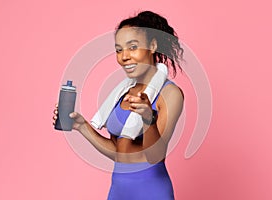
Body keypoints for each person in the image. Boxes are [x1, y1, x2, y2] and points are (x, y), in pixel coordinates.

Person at [53, 10, 184, 200]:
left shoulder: (170, 93)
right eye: (119, 49)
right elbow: (119, 153)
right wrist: (81, 126)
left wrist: (148, 119)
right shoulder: (122, 92)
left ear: (153, 45)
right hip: (119, 192)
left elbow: (155, 156)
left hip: (151, 192)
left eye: (132, 47)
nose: (124, 56)